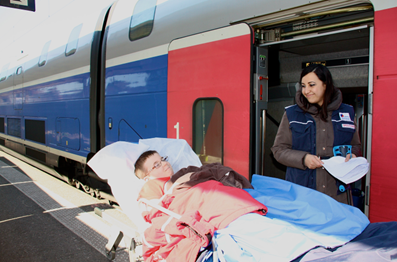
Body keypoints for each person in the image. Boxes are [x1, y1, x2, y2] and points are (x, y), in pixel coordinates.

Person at [271, 64, 361, 204]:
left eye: (311, 85)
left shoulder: (348, 112)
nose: (306, 91)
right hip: (302, 194)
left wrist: (353, 155)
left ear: (326, 84)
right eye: (303, 86)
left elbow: (355, 145)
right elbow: (278, 150)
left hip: (337, 194)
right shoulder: (292, 114)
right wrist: (304, 158)